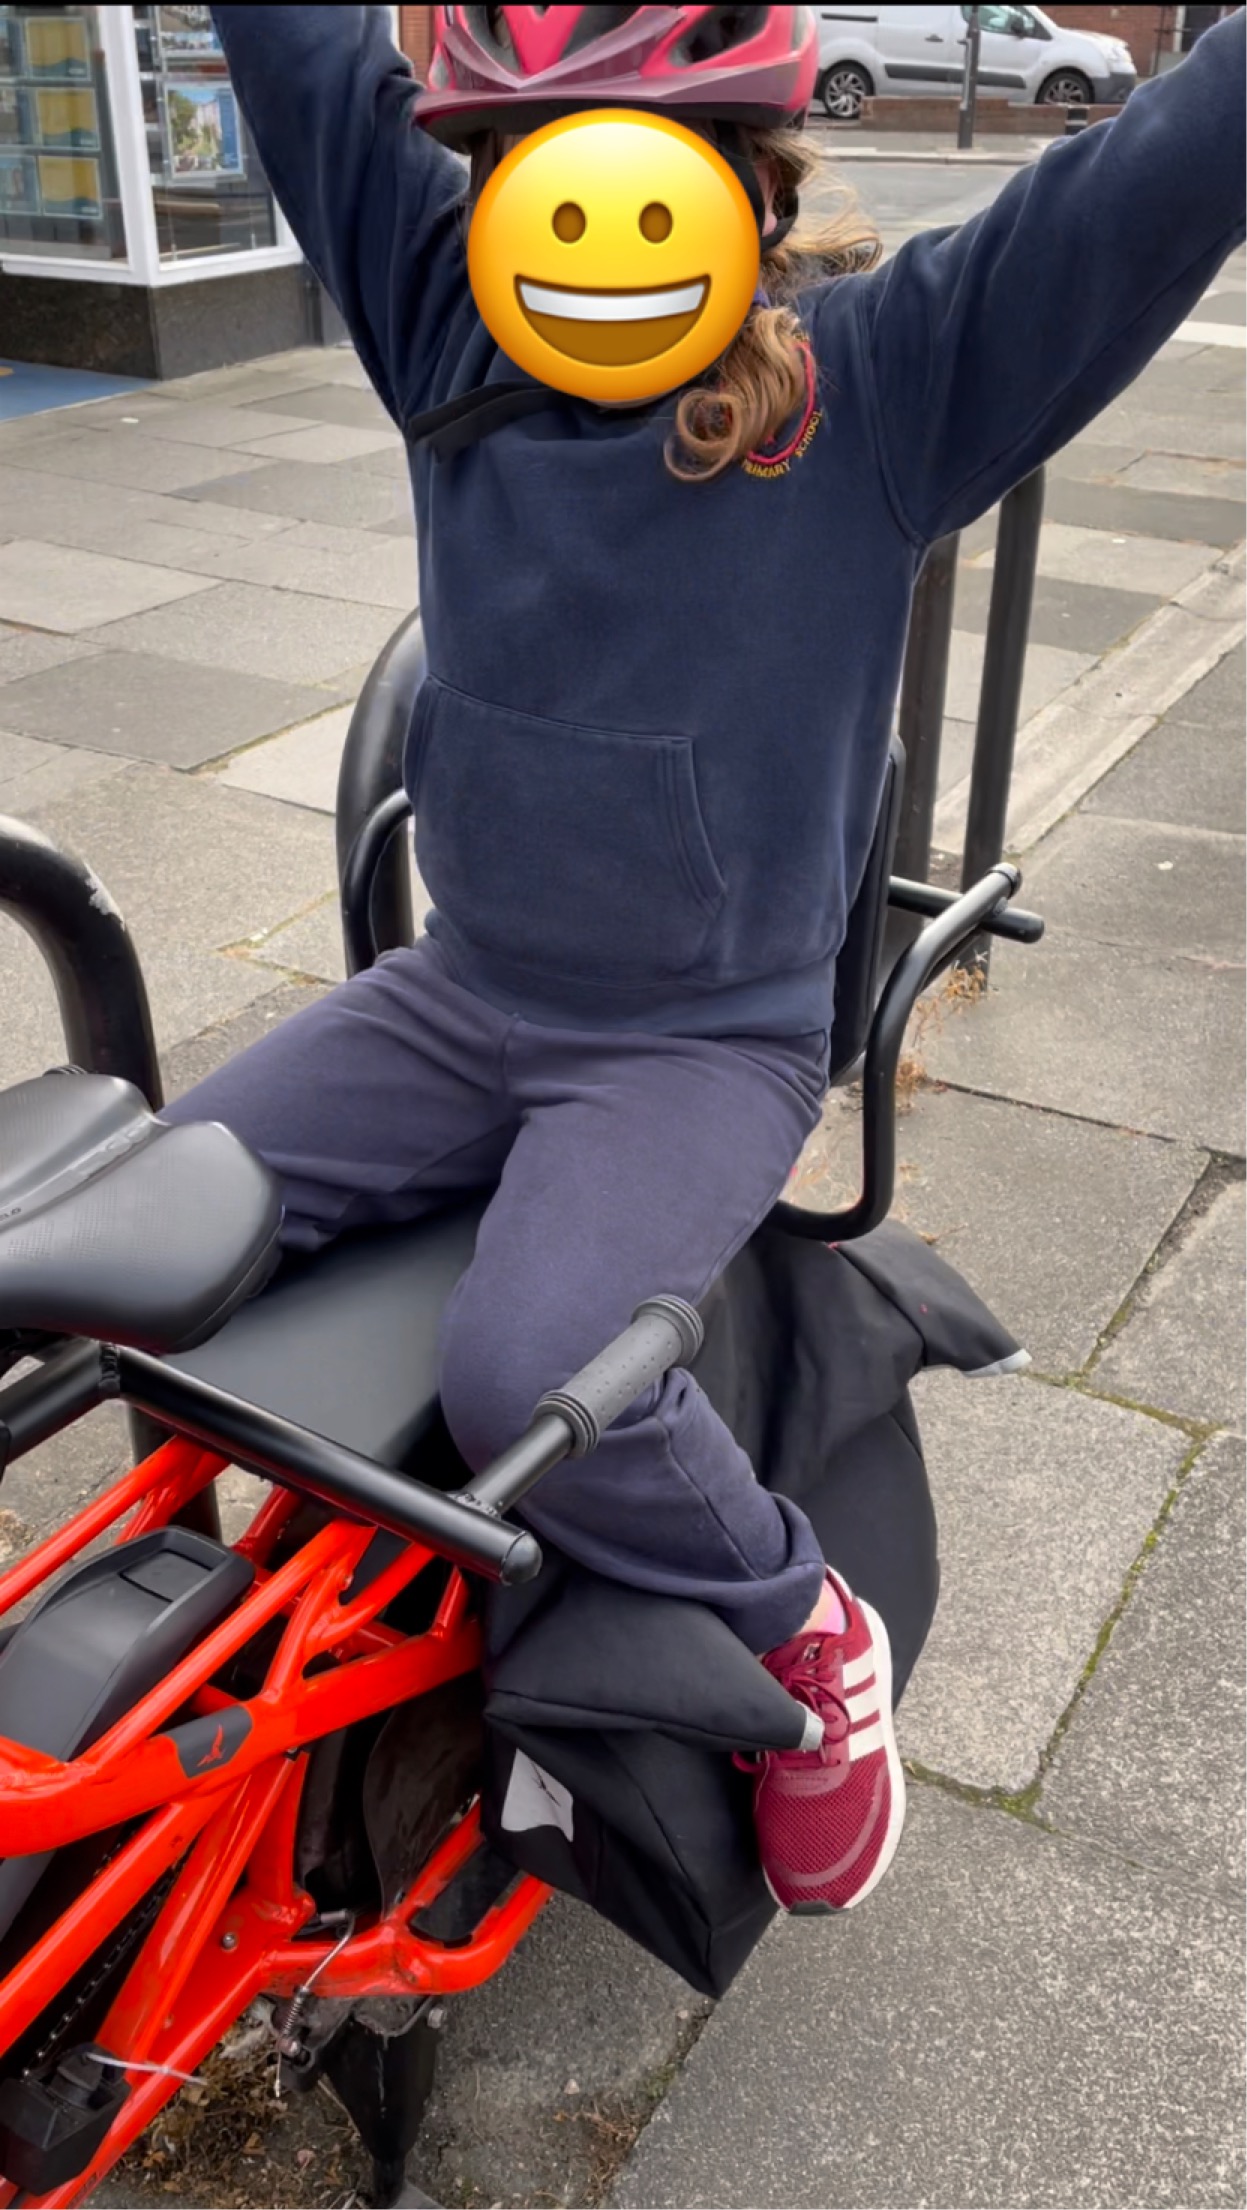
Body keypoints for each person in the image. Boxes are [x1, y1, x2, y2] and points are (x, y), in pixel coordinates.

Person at [173, 3, 1245, 1915]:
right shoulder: (444, 321)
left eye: (635, 175)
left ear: (742, 187)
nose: (580, 226)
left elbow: (1146, 185)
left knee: (527, 1370)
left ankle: (799, 1624)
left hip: (699, 1038)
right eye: (528, 173)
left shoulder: (880, 381)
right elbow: (302, 60)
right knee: (149, 1216)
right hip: (463, 994)